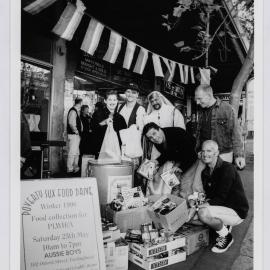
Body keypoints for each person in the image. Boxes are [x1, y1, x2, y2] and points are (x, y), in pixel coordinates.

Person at [190, 140, 249, 253]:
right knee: (194, 217)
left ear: (217, 153)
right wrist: (195, 201)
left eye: (209, 151)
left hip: (236, 211)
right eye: (203, 151)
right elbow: (210, 196)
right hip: (223, 207)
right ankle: (224, 224)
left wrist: (197, 208)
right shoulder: (206, 172)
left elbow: (220, 198)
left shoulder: (228, 169)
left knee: (202, 213)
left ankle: (227, 236)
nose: (205, 154)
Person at [194, 84, 245, 169]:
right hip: (205, 155)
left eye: (199, 99)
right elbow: (200, 133)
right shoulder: (201, 110)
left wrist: (239, 155)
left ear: (209, 96)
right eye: (196, 99)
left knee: (221, 181)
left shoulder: (226, 108)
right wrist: (199, 150)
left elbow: (236, 133)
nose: (197, 102)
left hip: (222, 155)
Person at [142, 122, 197, 195]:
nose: (154, 138)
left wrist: (181, 168)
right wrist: (157, 161)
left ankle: (185, 204)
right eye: (150, 137)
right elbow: (167, 154)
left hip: (191, 158)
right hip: (178, 159)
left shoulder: (177, 134)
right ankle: (175, 202)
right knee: (173, 185)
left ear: (159, 129)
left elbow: (192, 155)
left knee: (185, 187)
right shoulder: (157, 141)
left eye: (154, 133)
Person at [92, 90, 127, 158]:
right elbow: (93, 130)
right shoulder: (98, 114)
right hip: (101, 152)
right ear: (105, 101)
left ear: (117, 101)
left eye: (114, 100)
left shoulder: (120, 118)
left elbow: (124, 136)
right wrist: (104, 122)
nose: (112, 102)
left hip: (116, 152)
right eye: (110, 99)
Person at [66, 97, 83, 175]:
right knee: (73, 152)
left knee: (76, 152)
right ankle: (70, 168)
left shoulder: (75, 111)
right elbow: (71, 123)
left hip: (75, 135)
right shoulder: (73, 111)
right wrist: (76, 131)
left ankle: (75, 167)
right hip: (73, 135)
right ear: (80, 103)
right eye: (82, 103)